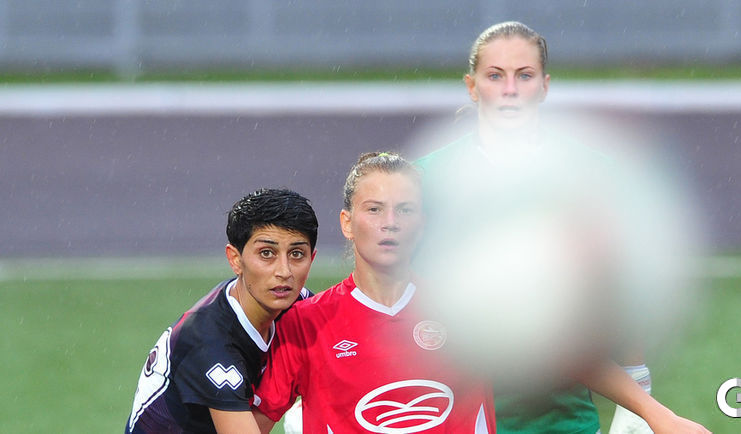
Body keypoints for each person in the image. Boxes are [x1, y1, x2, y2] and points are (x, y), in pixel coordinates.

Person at [414, 21, 709, 434]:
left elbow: (620, 290)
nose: (510, 89)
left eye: (524, 75)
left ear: (545, 86)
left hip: (562, 418)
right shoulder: (425, 178)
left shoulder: (588, 173)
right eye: (495, 76)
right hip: (453, 413)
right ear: (471, 86)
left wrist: (639, 389)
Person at [252, 152, 496, 433]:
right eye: (374, 209)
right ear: (347, 223)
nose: (390, 222)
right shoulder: (304, 324)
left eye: (405, 210)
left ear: (422, 224)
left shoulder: (470, 312)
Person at [125, 188, 318, 434]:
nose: (284, 271)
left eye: (296, 254)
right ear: (236, 259)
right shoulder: (208, 342)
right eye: (266, 253)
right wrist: (281, 389)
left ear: (312, 258)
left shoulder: (298, 303)